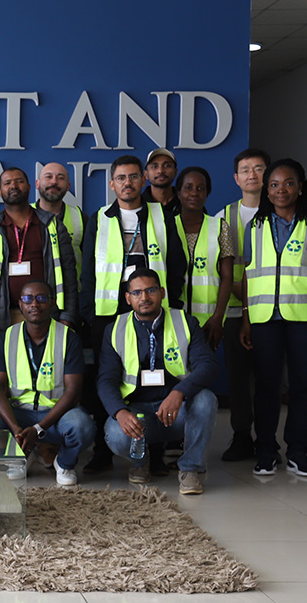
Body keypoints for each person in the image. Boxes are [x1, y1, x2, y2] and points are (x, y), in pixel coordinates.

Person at [80, 154, 185, 472]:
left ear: (143, 180)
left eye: (133, 176)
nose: (128, 182)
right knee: (107, 380)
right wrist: (88, 311)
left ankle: (153, 450)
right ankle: (103, 450)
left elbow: (178, 263)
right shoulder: (99, 218)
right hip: (108, 312)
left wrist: (173, 301)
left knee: (153, 376)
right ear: (112, 184)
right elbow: (88, 268)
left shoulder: (162, 215)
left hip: (153, 309)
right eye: (121, 178)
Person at [239, 158, 307, 477]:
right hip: (265, 317)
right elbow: (248, 275)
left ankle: (298, 451)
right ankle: (266, 450)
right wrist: (247, 319)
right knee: (266, 386)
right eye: (275, 185)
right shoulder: (255, 225)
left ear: (301, 186)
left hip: (304, 317)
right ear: (267, 190)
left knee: (302, 385)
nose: (281, 190)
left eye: (288, 183)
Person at [97, 269, 220, 494]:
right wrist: (120, 412)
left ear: (162, 292)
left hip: (176, 412)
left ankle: (190, 469)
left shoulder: (185, 322)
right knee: (114, 433)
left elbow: (208, 366)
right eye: (136, 293)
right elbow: (106, 380)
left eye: (150, 290)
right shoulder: (115, 329)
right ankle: (139, 462)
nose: (144, 298)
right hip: (138, 414)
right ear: (128, 298)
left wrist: (179, 392)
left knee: (205, 399)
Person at [0, 281, 94, 486]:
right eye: (28, 299)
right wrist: (16, 429)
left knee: (82, 426)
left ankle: (64, 462)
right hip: (18, 412)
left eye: (41, 298)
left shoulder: (69, 338)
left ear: (52, 303)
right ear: (20, 304)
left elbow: (73, 391)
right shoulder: (8, 337)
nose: (34, 304)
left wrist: (38, 428)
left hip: (56, 414)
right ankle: (19, 457)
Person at [0, 166, 78, 371]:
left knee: (49, 372)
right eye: (7, 183)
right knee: (1, 375)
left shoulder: (52, 225)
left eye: (19, 181)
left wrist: (67, 316)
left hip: (46, 313)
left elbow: (68, 273)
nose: (13, 186)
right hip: (0, 316)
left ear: (30, 187)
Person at [215, 148, 269, 462]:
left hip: (274, 310)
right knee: (237, 378)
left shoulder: (280, 212)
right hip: (236, 308)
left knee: (268, 378)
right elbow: (221, 268)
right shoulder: (225, 216)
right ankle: (240, 436)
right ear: (236, 178)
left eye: (259, 168)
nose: (252, 175)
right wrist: (244, 293)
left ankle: (266, 439)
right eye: (245, 170)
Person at [175, 166, 234, 345]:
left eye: (201, 188)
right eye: (189, 187)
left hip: (209, 321)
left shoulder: (220, 227)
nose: (194, 193)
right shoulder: (167, 226)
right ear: (178, 193)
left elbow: (227, 277)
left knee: (204, 370)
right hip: (174, 320)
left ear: (207, 193)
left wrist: (218, 317)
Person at [37, 161, 86, 281]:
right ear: (37, 184)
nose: (54, 182)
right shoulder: (24, 215)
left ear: (68, 186)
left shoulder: (80, 218)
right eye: (48, 177)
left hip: (73, 294)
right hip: (34, 296)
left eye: (60, 178)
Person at [143, 148, 181, 216]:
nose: (160, 171)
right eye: (155, 166)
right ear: (146, 174)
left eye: (167, 166)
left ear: (175, 172)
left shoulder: (186, 203)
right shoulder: (138, 205)